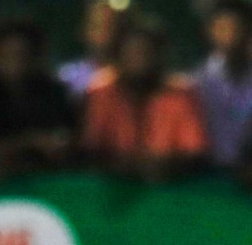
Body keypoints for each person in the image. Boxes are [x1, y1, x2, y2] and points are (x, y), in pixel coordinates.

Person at [81, 19, 209, 182]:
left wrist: (164, 166)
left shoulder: (180, 95)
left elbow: (195, 152)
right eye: (132, 52)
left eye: (146, 52)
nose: (139, 60)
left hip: (169, 189)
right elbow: (89, 147)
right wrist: (124, 165)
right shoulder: (102, 92)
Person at [0, 20, 76, 187]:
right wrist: (31, 141)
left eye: (22, 55)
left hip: (46, 188)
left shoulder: (53, 94)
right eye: (7, 55)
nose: (16, 63)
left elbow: (62, 147)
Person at [192, 0, 252, 175]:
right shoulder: (195, 83)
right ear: (210, 31)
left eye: (237, 28)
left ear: (250, 32)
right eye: (223, 28)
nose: (231, 34)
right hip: (206, 180)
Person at [59, 0, 131, 100]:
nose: (106, 34)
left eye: (111, 26)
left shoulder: (135, 78)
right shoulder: (68, 78)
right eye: (98, 26)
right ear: (83, 30)